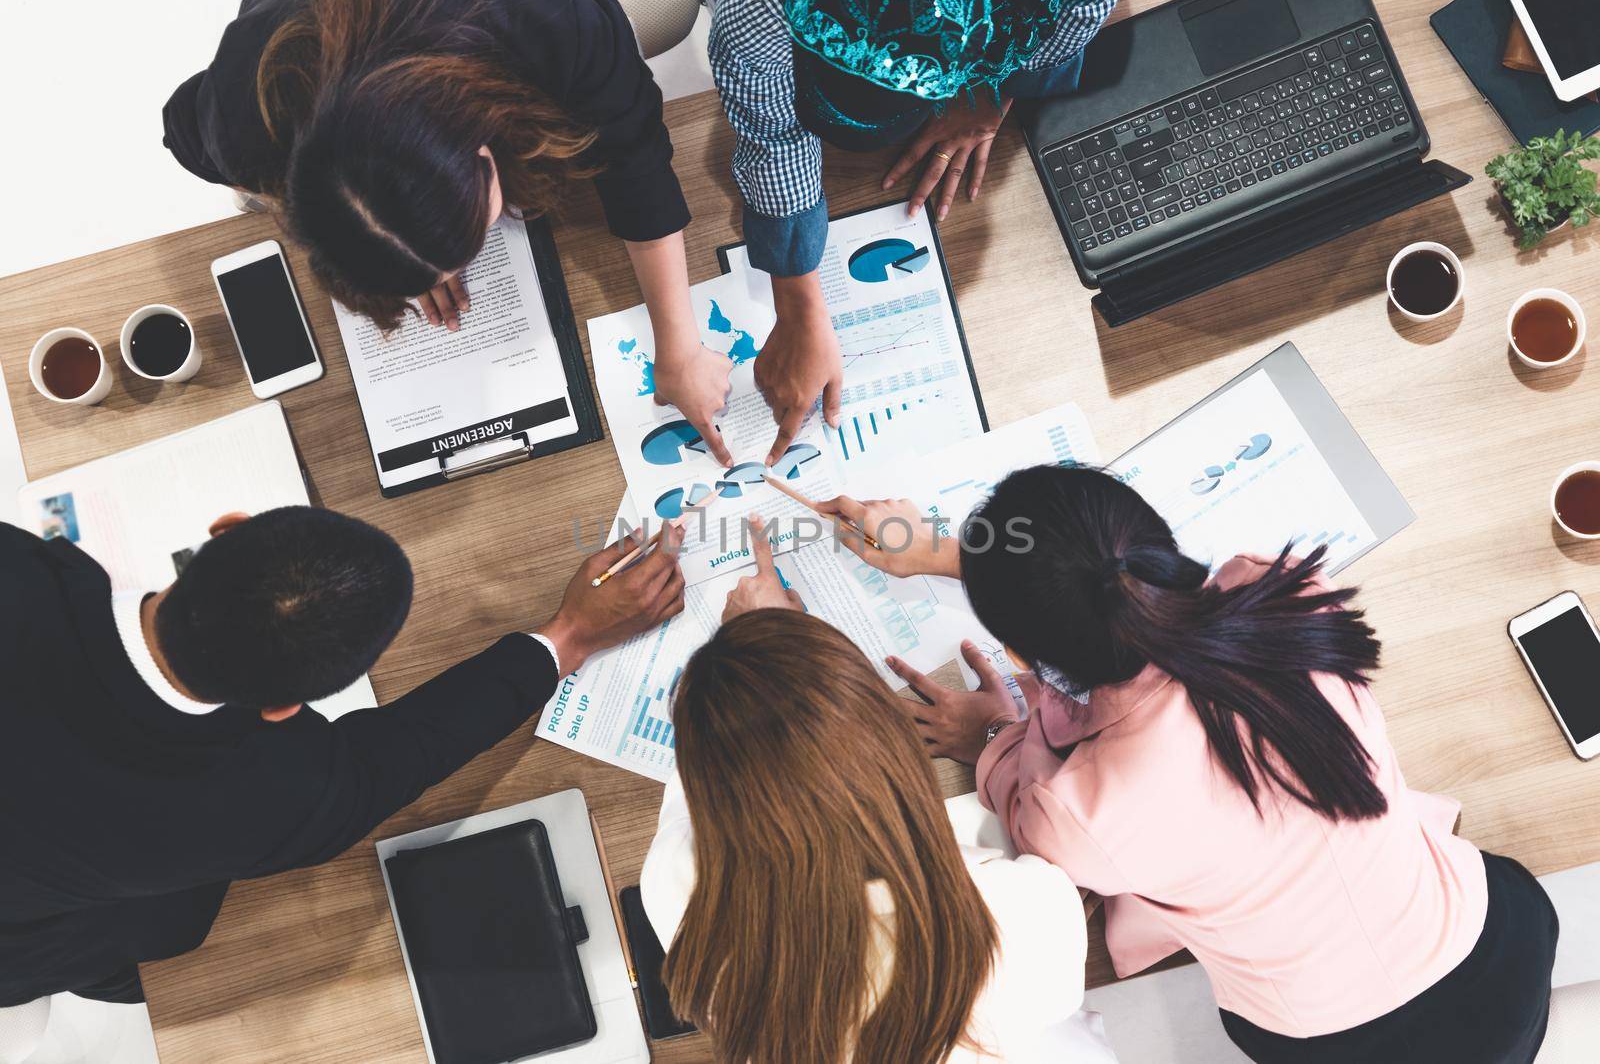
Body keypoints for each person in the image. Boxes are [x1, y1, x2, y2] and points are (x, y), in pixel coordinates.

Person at [818, 467, 1560, 1063]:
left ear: (1021, 658)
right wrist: (964, 560)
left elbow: (1026, 795)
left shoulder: (1080, 810)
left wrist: (995, 731)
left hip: (1336, 1045)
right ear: (1158, 542)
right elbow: (1106, 585)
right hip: (1502, 945)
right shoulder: (1292, 597)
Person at [0, 506, 685, 1008]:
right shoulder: (267, 796)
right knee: (172, 929)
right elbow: (406, 750)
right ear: (282, 708)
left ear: (226, 527)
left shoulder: (22, 566)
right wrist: (568, 635)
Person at [163, 0, 738, 465]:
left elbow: (632, 152)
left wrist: (680, 348)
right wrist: (395, 238)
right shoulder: (246, 107)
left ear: (479, 138)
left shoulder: (546, 20)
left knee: (670, 13)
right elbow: (178, 129)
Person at [638, 522, 1117, 1064]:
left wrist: (766, 662)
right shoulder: (1023, 912)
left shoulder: (679, 890)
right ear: (890, 744)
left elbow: (710, 773)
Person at [708, 0, 1116, 464]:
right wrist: (797, 301)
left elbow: (1083, 9)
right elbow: (774, 136)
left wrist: (992, 91)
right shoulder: (756, 8)